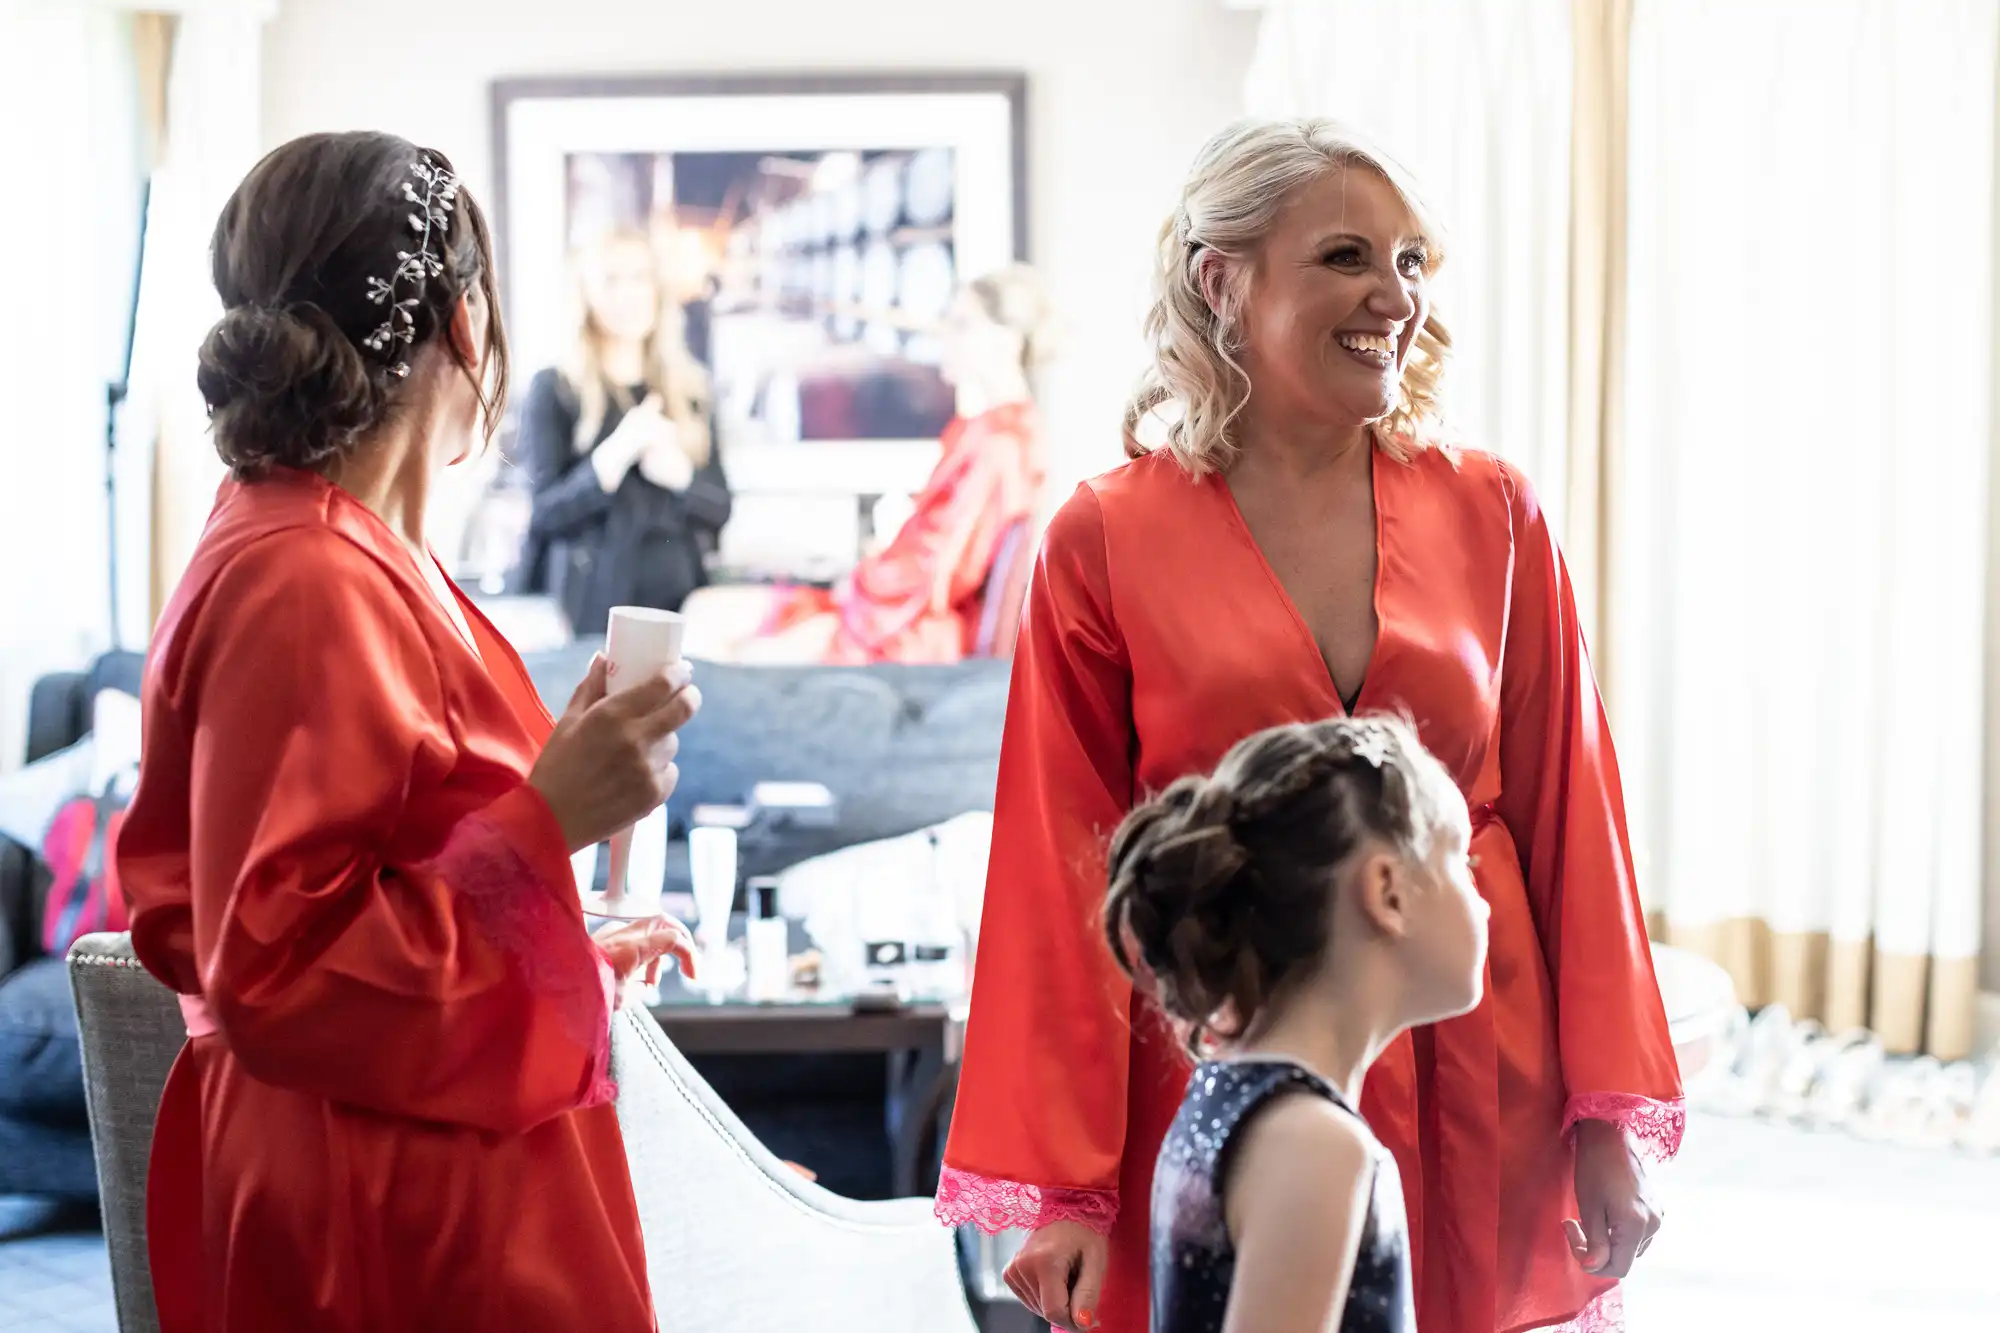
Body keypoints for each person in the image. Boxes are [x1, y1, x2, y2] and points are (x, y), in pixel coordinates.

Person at [935, 117, 1682, 1333]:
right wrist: (1066, 1179)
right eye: (1346, 257)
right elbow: (1060, 862)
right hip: (1218, 1053)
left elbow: (1572, 818)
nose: (1393, 296)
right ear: (1220, 282)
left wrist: (1603, 1115)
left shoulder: (1494, 510)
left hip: (1475, 1043)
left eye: (1411, 262)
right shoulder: (1101, 537)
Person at [117, 131, 703, 1333]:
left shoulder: (353, 550)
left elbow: (395, 870)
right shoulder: (304, 574)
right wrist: (552, 817)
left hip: (422, 1156)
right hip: (382, 1206)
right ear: (466, 329)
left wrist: (564, 946)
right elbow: (281, 965)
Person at [1103, 716, 1488, 1333]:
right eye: (1460, 862)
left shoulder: (1226, 1097)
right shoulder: (1314, 1146)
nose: (1484, 897)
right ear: (1388, 892)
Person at [682, 264, 1055, 664]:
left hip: (904, 628)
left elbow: (940, 573)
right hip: (895, 607)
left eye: (962, 324)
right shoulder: (990, 430)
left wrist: (864, 578)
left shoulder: (1002, 444)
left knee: (715, 645)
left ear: (1009, 340)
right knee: (702, 613)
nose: (947, 336)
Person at [516, 228, 731, 637]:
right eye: (611, 280)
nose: (628, 294)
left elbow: (721, 508)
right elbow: (544, 515)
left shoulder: (691, 389)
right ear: (587, 294)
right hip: (589, 615)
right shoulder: (556, 389)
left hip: (677, 610)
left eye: (639, 278)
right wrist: (607, 463)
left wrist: (680, 476)